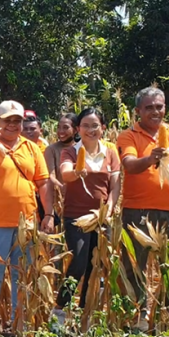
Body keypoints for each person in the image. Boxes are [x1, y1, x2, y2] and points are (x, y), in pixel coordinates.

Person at [0, 100, 54, 337]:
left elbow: (43, 183)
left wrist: (48, 214)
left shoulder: (32, 149)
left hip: (27, 222)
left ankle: (20, 321)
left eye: (17, 120)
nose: (12, 125)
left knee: (24, 273)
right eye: (7, 120)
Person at [116, 87, 169, 331]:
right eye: (149, 107)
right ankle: (139, 314)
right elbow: (129, 165)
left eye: (159, 106)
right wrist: (151, 159)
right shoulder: (128, 136)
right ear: (138, 111)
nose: (155, 111)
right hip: (137, 211)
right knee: (134, 265)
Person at [51, 108, 120, 324]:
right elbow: (65, 173)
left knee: (96, 264)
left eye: (95, 125)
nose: (90, 130)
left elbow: (115, 184)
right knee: (79, 261)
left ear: (103, 128)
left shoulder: (110, 152)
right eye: (85, 125)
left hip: (101, 216)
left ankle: (86, 312)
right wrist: (76, 173)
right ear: (78, 129)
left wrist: (109, 207)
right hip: (76, 216)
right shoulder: (71, 152)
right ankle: (59, 309)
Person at [43, 113, 79, 225]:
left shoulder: (82, 148)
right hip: (59, 203)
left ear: (75, 130)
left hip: (80, 202)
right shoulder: (51, 150)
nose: (60, 131)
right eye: (59, 127)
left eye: (66, 127)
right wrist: (61, 187)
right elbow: (51, 175)